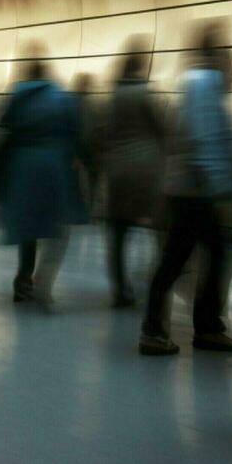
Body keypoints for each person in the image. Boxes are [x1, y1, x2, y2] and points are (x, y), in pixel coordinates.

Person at [140, 23, 232, 355]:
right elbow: (205, 139)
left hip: (187, 187)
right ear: (217, 53)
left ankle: (182, 328)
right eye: (228, 54)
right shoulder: (202, 83)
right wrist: (225, 183)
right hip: (195, 189)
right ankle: (191, 329)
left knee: (182, 258)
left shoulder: (194, 83)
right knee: (200, 255)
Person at [0, 54, 86, 311]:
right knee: (57, 228)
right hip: (54, 168)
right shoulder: (62, 97)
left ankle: (23, 281)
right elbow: (75, 132)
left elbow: (2, 125)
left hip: (22, 168)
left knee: (29, 229)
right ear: (46, 72)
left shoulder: (16, 96)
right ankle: (43, 282)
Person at [96, 45, 163, 308]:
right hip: (145, 171)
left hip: (117, 172)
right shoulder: (146, 94)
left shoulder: (110, 97)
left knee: (118, 234)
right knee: (155, 231)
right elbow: (160, 129)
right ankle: (148, 279)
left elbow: (102, 134)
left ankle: (120, 289)